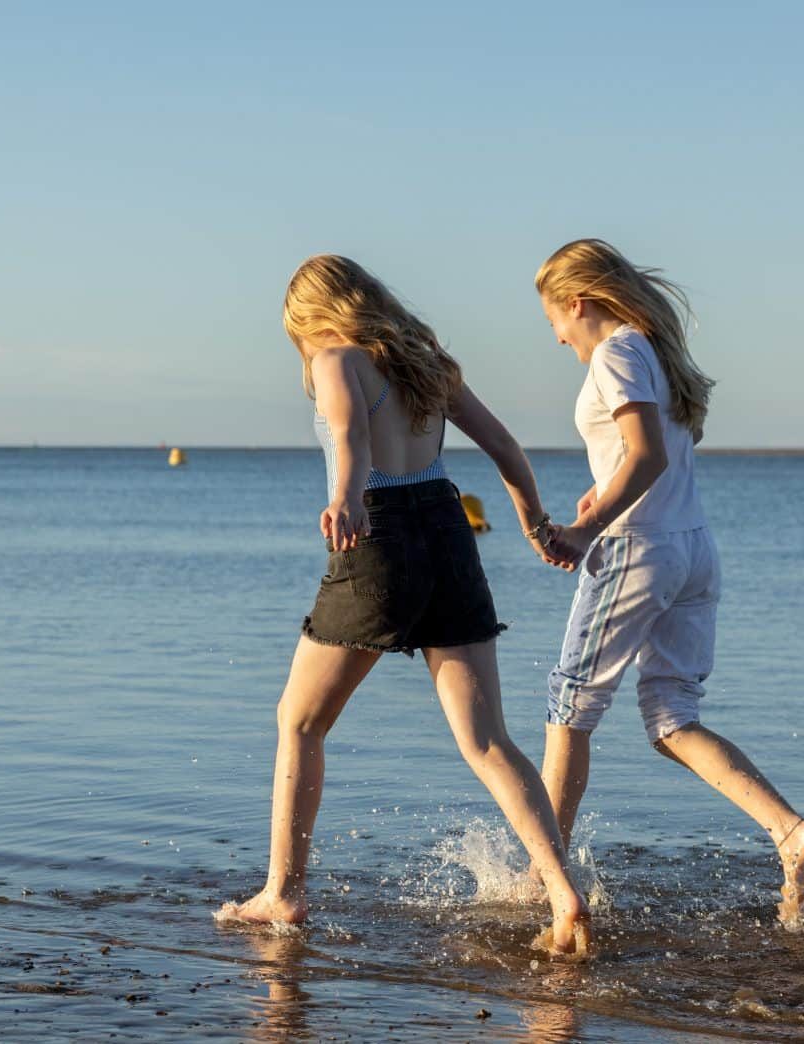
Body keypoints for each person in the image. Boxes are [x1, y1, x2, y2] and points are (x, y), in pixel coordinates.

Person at [216, 254, 590, 958]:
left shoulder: (334, 358)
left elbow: (352, 438)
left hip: (379, 535)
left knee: (298, 721)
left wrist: (348, 497)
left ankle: (283, 894)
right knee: (488, 742)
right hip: (449, 534)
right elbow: (506, 446)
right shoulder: (430, 364)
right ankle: (563, 892)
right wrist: (536, 524)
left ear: (310, 315)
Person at [531, 238, 804, 922]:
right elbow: (642, 456)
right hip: (691, 549)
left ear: (577, 302)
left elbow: (648, 453)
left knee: (569, 708)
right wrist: (598, 493)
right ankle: (793, 834)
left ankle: (549, 879)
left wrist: (585, 528)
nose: (556, 338)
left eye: (554, 321)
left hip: (638, 551)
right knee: (669, 718)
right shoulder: (654, 352)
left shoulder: (615, 352)